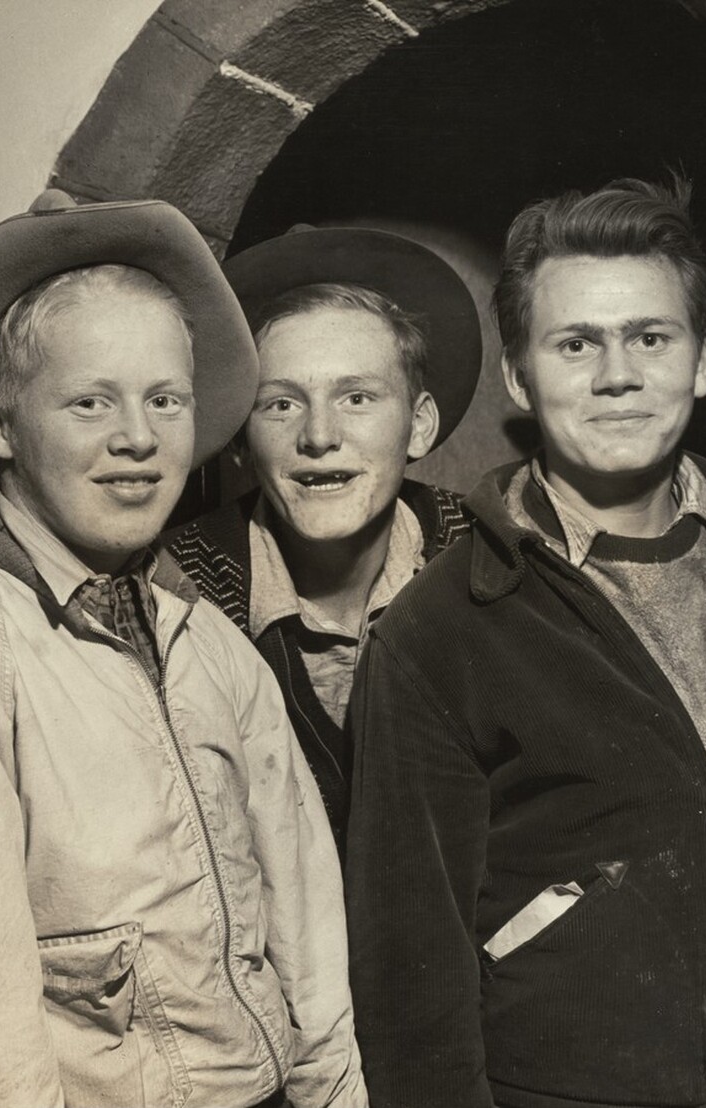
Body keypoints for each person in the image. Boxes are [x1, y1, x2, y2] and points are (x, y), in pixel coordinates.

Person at [345, 177, 706, 1108]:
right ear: (520, 375)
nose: (616, 375)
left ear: (703, 359)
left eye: (649, 336)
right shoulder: (442, 631)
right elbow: (408, 979)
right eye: (575, 343)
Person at [0, 192, 367, 1108]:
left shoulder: (216, 643)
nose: (137, 438)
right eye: (89, 401)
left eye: (164, 400)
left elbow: (304, 930)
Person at [169, 226, 482, 847]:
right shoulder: (173, 592)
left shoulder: (496, 564)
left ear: (418, 426)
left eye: (357, 397)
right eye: (280, 404)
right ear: (239, 438)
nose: (318, 435)